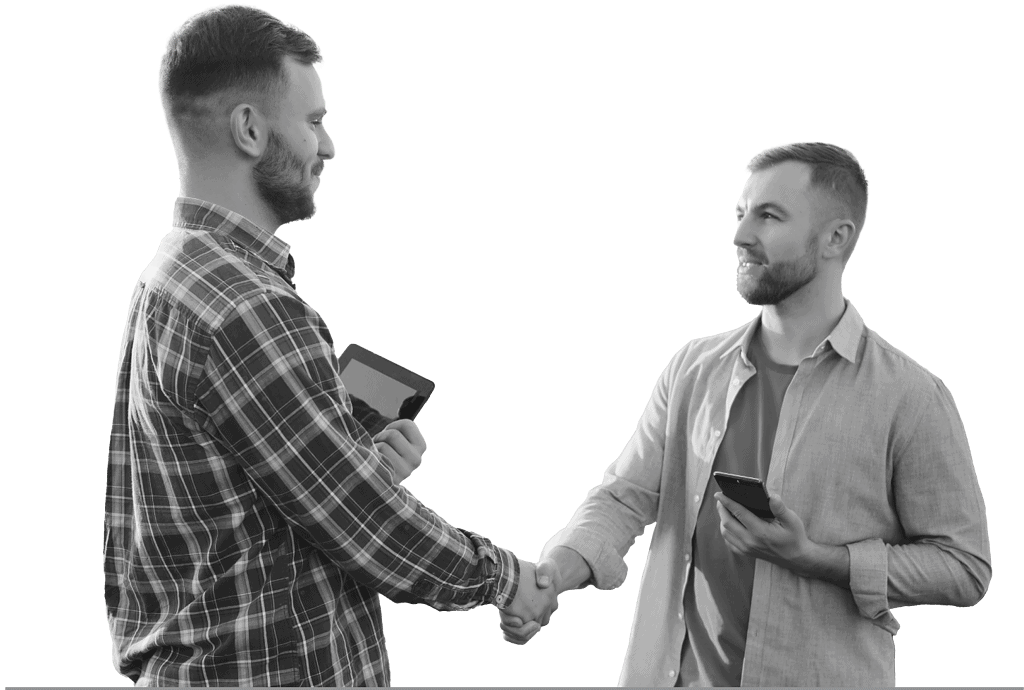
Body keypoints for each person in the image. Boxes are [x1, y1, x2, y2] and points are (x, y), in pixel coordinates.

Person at [104, 5, 556, 686]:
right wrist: (507, 578)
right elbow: (368, 529)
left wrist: (354, 464)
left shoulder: (172, 274)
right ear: (250, 129)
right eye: (314, 121)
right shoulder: (247, 306)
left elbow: (240, 512)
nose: (330, 146)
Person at [499, 142, 991, 687]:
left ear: (837, 238)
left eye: (769, 216)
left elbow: (964, 569)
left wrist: (817, 558)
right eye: (740, 214)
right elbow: (625, 497)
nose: (740, 237)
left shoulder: (912, 396)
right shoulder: (692, 367)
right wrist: (551, 575)